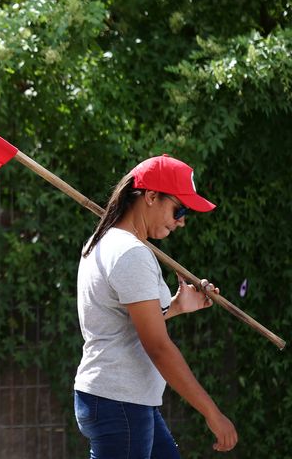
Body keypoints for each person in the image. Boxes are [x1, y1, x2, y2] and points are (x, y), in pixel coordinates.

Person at [74, 154, 238, 457]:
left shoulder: (104, 242)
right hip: (120, 402)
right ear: (151, 196)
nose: (182, 221)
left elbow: (122, 322)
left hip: (121, 399)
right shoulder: (130, 254)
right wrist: (212, 413)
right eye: (180, 209)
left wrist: (175, 307)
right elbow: (158, 346)